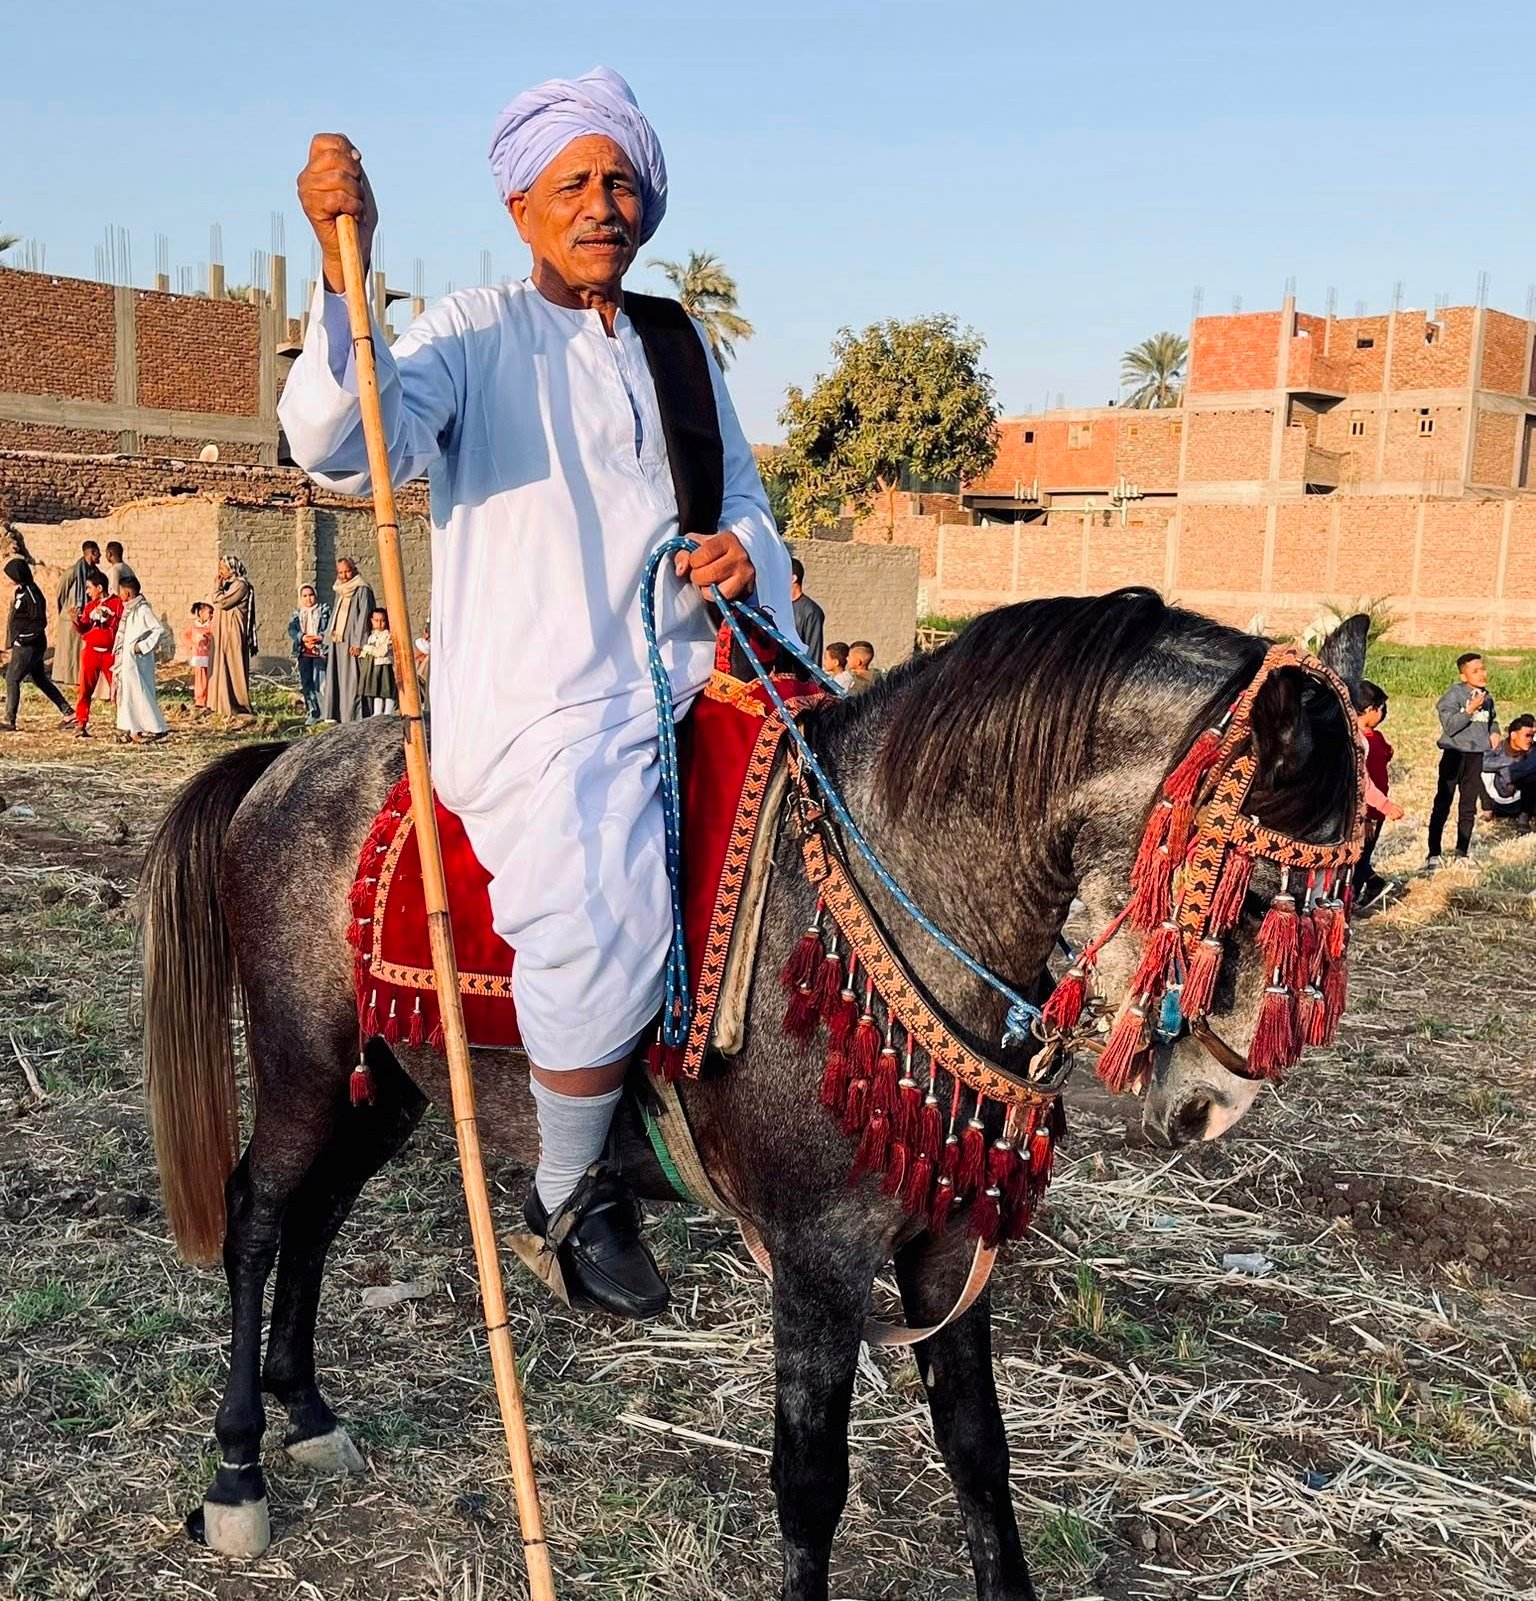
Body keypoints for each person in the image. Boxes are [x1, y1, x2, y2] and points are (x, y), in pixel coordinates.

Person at [280, 69, 795, 1320]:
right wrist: (343, 280)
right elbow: (347, 440)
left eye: (620, 181)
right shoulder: (469, 331)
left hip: (688, 670)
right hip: (543, 707)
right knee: (599, 904)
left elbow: (741, 504)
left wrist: (747, 555)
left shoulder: (680, 343)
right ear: (521, 207)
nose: (602, 204)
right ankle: (568, 1188)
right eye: (574, 184)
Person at [1427, 651, 1498, 866]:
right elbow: (1450, 726)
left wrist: (1494, 731)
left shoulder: (1487, 697)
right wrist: (1469, 710)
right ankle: (1433, 853)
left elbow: (1492, 719)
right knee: (1443, 802)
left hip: (1475, 756)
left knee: (1468, 805)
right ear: (1463, 676)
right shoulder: (1454, 695)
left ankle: (1462, 853)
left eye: (1483, 669)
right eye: (1475, 671)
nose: (1482, 674)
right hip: (1454, 754)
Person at [3, 555, 74, 732]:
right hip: (26, 644)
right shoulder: (21, 590)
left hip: (29, 646)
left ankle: (9, 720)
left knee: (12, 678)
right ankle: (68, 712)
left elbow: (39, 621)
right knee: (40, 679)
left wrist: (22, 639)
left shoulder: (32, 593)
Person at [1352, 681, 1405, 909]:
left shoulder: (1366, 737)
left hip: (1367, 809)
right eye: (1381, 708)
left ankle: (1356, 895)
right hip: (1368, 811)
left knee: (1358, 857)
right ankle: (1370, 885)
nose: (1383, 713)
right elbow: (1363, 781)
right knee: (1358, 856)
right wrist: (1385, 805)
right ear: (1371, 710)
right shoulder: (1363, 741)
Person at [112, 575, 167, 742]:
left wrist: (141, 647)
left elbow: (158, 630)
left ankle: (156, 727)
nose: (119, 594)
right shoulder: (128, 610)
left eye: (121, 591)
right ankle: (133, 730)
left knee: (141, 694)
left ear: (128, 593)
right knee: (128, 695)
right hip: (127, 661)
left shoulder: (143, 610)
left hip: (137, 661)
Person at [321, 557, 374, 723]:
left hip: (352, 641)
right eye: (341, 572)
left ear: (354, 570)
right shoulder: (341, 589)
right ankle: (339, 716)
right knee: (338, 678)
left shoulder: (361, 589)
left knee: (352, 681)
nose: (344, 575)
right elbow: (335, 616)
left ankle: (355, 717)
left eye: (347, 571)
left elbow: (364, 616)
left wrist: (359, 643)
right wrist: (326, 640)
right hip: (339, 641)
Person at [71, 572, 122, 737]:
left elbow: (121, 625)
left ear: (99, 588)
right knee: (84, 689)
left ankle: (126, 723)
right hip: (91, 652)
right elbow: (84, 628)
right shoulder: (90, 606)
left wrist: (109, 618)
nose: (87, 591)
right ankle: (81, 722)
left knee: (118, 689)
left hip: (110, 654)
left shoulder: (117, 604)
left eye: (89, 588)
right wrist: (75, 621)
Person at [208, 555, 256, 718]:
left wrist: (216, 587)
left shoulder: (240, 585)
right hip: (223, 631)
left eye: (223, 568)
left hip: (233, 631)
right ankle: (221, 702)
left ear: (232, 569)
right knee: (222, 664)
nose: (220, 572)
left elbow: (222, 602)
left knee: (233, 665)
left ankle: (237, 704)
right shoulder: (229, 584)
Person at [54, 540, 103, 693]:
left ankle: (79, 680)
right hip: (70, 617)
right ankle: (67, 680)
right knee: (68, 651)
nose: (100, 556)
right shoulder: (72, 572)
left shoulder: (95, 574)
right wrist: (67, 611)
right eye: (97, 553)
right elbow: (61, 593)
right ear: (91, 553)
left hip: (86, 618)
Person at [1482, 712, 1536, 828]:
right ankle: (1487, 810)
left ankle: (1524, 819)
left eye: (1532, 736)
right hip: (1498, 801)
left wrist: (1507, 770)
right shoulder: (1498, 748)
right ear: (1513, 735)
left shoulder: (1532, 751)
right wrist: (1510, 763)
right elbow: (1482, 763)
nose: (1530, 740)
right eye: (1527, 736)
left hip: (1521, 802)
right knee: (1476, 770)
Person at [288, 583, 331, 724]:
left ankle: (326, 712)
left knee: (322, 683)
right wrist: (302, 637)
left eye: (311, 595)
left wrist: (321, 637)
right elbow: (292, 630)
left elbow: (330, 628)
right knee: (307, 683)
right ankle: (313, 711)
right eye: (305, 596)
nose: (308, 599)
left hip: (320, 653)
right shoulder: (297, 614)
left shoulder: (324, 611)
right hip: (304, 653)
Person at [357, 606, 397, 715]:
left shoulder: (388, 635)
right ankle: (377, 712)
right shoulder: (372, 635)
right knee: (377, 690)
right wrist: (360, 652)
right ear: (371, 621)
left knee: (387, 689)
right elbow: (369, 650)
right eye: (377, 621)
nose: (380, 624)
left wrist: (366, 648)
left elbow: (381, 652)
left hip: (384, 665)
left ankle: (388, 711)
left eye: (383, 621)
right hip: (373, 666)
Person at [790, 558, 824, 668]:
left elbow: (813, 652)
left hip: (798, 679)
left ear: (793, 578)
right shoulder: (778, 606)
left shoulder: (811, 611)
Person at [183, 602, 214, 710]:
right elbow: (185, 636)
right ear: (200, 613)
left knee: (210, 677)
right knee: (200, 678)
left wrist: (208, 639)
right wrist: (192, 645)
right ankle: (200, 699)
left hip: (210, 656)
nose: (211, 615)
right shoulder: (193, 625)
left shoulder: (211, 626)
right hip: (199, 655)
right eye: (209, 613)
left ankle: (210, 699)